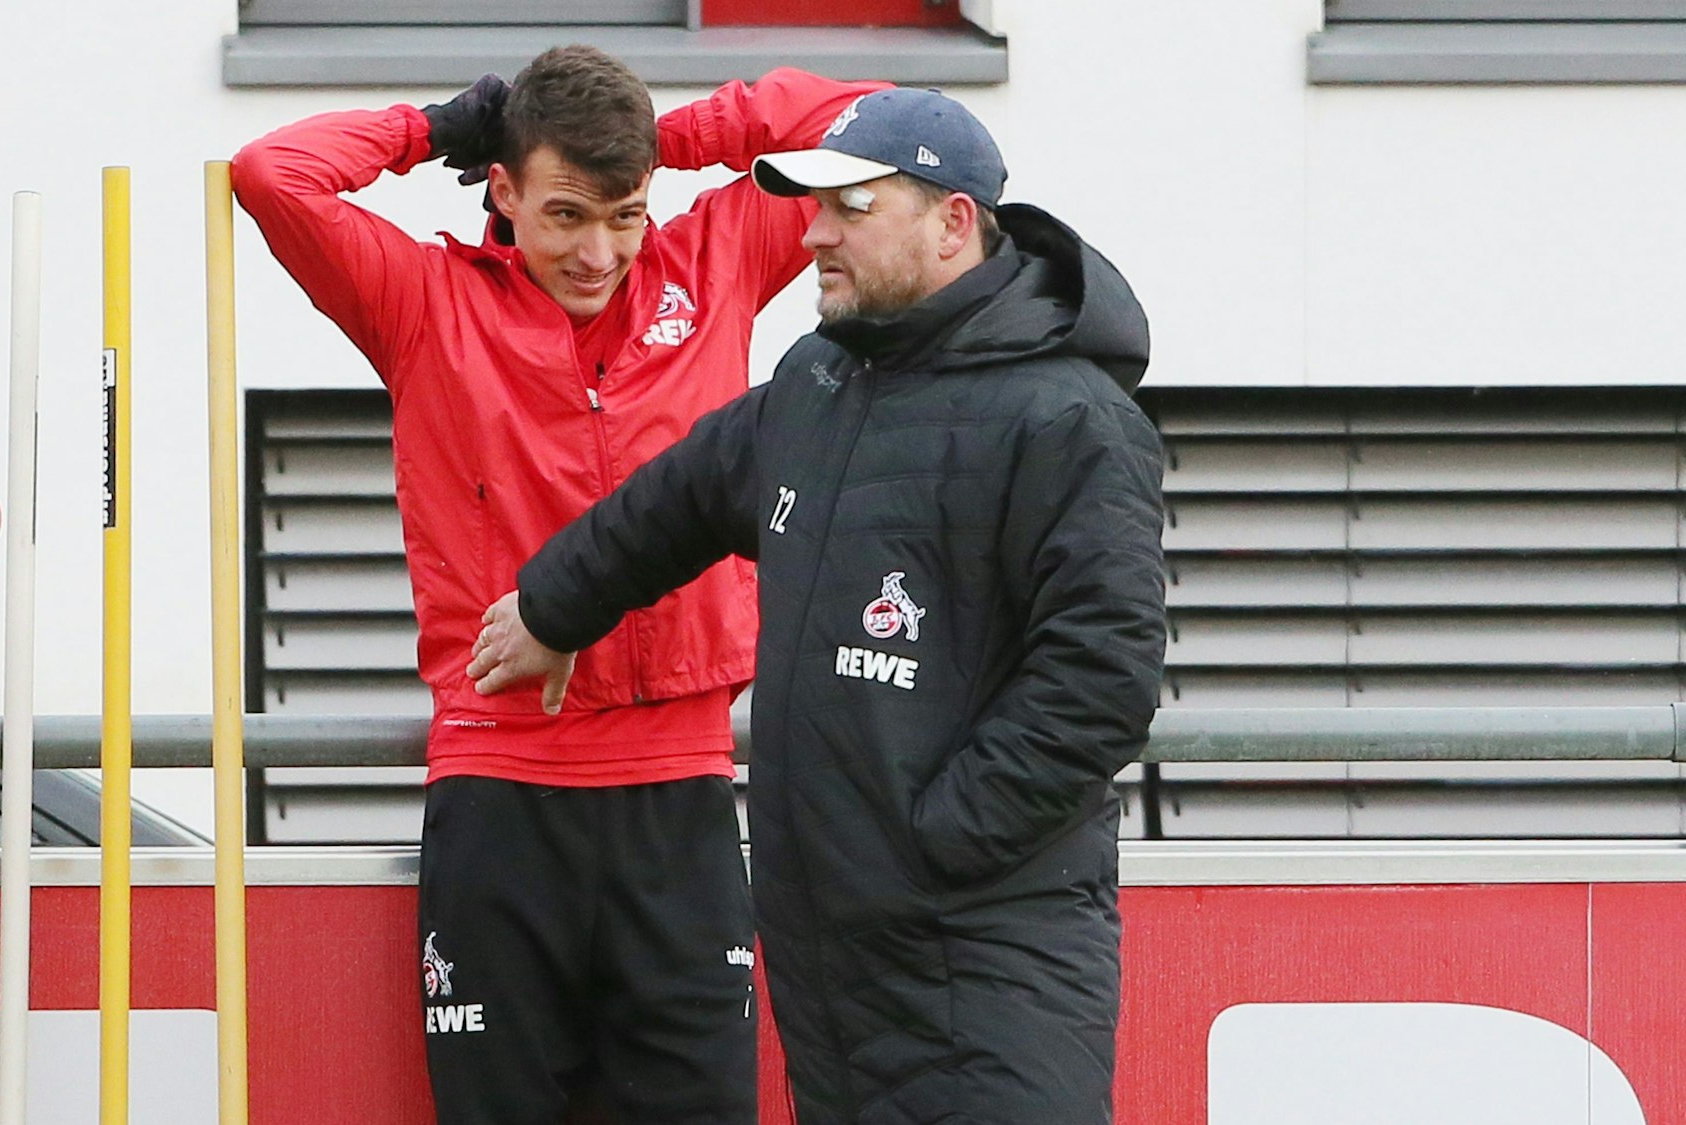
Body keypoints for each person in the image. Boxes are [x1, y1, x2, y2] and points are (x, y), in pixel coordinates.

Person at [468, 87, 1168, 1124]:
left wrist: (927, 846)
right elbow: (679, 498)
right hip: (834, 967)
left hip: (988, 956)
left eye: (851, 208)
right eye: (815, 207)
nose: (814, 236)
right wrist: (551, 607)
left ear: (952, 223)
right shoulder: (821, 379)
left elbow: (1099, 680)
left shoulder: (1070, 419)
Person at [231, 48, 882, 1123]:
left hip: (679, 797)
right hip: (499, 794)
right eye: (566, 214)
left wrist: (672, 141)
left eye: (624, 216)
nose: (597, 253)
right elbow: (270, 172)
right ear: (503, 189)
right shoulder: (423, 300)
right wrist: (431, 129)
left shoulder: (709, 264)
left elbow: (870, 120)